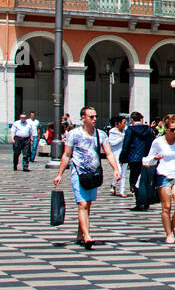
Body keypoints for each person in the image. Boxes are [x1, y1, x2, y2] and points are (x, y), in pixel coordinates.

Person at [52, 106, 122, 249]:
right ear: (83, 118)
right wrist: (59, 174)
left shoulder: (101, 134)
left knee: (87, 204)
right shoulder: (74, 134)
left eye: (95, 116)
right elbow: (66, 155)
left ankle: (80, 233)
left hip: (93, 174)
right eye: (91, 117)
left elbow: (108, 153)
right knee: (82, 204)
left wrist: (115, 169)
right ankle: (87, 236)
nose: (94, 119)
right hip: (78, 173)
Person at [147, 114, 175, 244]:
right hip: (163, 176)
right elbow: (147, 159)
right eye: (172, 129)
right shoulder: (158, 142)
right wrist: (154, 158)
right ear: (166, 129)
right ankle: (168, 233)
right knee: (166, 207)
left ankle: (171, 227)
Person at [121, 112, 157, 210]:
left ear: (132, 119)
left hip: (134, 158)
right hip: (146, 158)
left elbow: (126, 144)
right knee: (145, 180)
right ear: (141, 119)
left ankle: (139, 202)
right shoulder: (148, 129)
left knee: (134, 180)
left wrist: (122, 157)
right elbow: (153, 142)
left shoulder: (130, 129)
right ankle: (146, 202)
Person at [106, 115, 127, 195]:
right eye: (124, 123)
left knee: (124, 173)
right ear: (118, 123)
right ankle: (113, 185)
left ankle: (122, 191)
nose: (125, 124)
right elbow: (111, 143)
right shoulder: (112, 132)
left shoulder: (126, 131)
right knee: (119, 171)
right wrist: (121, 139)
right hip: (116, 155)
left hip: (124, 154)